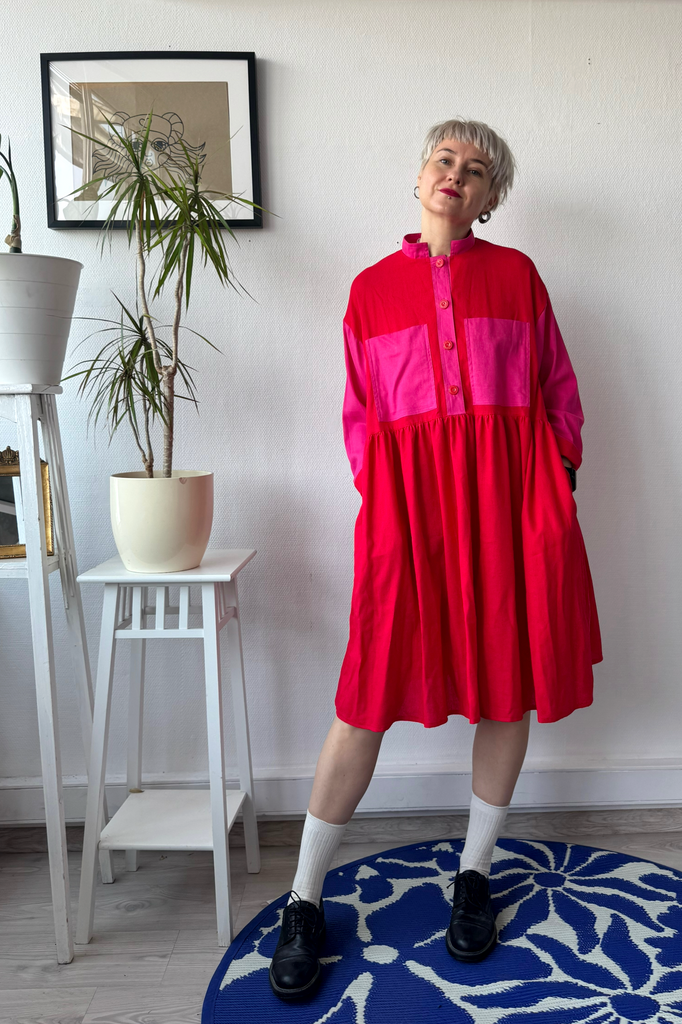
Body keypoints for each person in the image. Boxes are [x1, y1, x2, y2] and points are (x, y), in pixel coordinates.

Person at [269, 118, 603, 1001]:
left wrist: (555, 481)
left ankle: (476, 875)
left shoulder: (519, 278)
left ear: (492, 199)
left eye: (478, 169)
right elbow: (361, 418)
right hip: (409, 514)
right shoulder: (370, 291)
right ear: (420, 177)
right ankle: (304, 897)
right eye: (444, 159)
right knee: (366, 695)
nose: (458, 174)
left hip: (508, 504)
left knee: (506, 680)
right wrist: (387, 501)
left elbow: (558, 389)